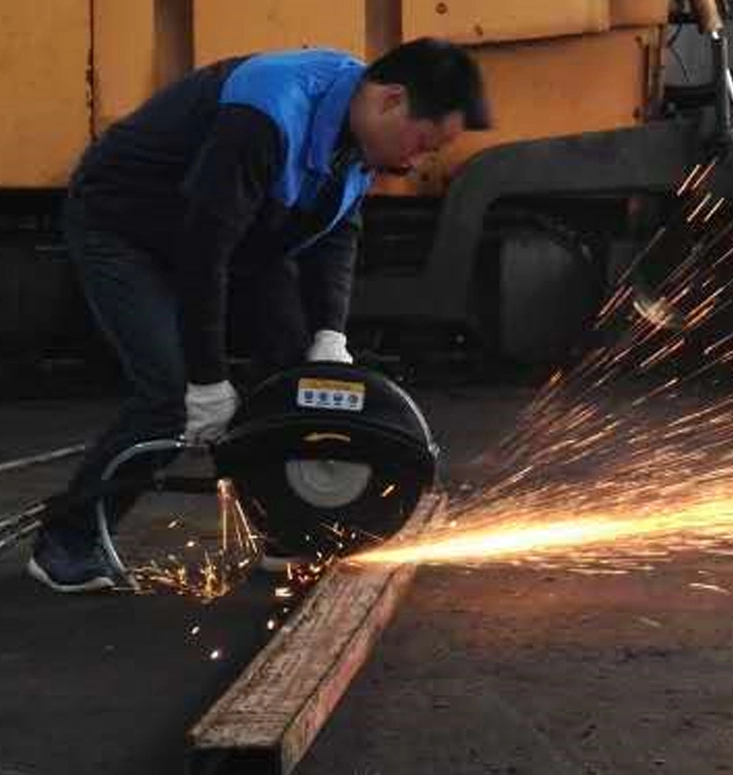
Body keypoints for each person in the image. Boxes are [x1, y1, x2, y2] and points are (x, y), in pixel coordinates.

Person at [27, 37, 490, 593]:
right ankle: (66, 546)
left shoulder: (361, 133)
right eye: (423, 142)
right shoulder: (268, 111)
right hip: (124, 229)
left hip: (237, 235)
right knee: (170, 395)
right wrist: (206, 381)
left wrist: (328, 335)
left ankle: (289, 527)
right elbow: (205, 254)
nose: (416, 161)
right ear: (392, 101)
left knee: (294, 376)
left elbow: (336, 230)